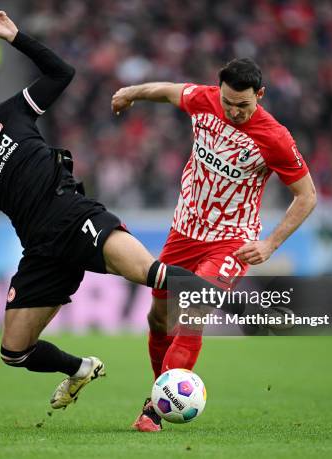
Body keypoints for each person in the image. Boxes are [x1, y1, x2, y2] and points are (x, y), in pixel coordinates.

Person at [0, 7, 234, 412]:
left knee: (155, 276)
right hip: (42, 254)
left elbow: (62, 74)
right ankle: (81, 368)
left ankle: (243, 308)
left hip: (80, 220)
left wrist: (16, 37)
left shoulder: (6, 117)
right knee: (13, 352)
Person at [112, 58, 317, 431]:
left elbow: (307, 196)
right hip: (183, 232)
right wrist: (131, 93)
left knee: (191, 314)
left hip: (230, 241)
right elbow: (171, 91)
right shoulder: (205, 100)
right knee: (158, 318)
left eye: (244, 105)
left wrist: (270, 244)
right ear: (218, 91)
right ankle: (162, 390)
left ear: (261, 95)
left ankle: (153, 412)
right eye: (228, 103)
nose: (234, 111)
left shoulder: (275, 137)